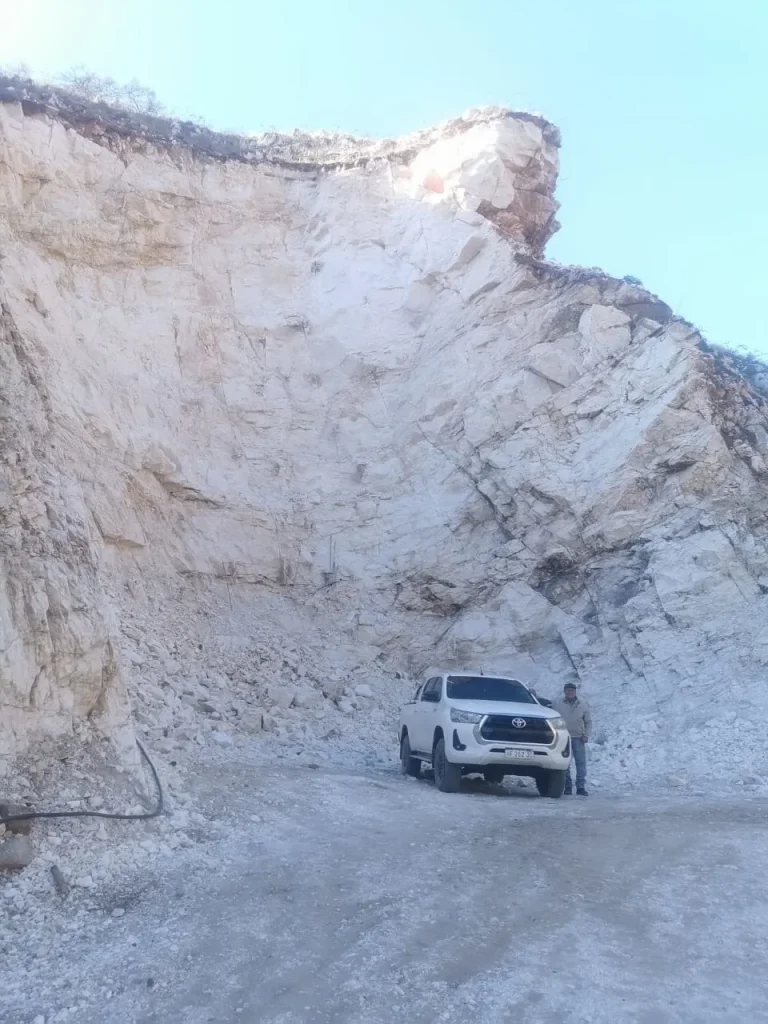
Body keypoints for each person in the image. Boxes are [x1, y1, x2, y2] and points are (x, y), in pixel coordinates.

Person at [552, 682, 592, 796]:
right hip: (563, 738)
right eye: (568, 690)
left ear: (575, 692)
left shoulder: (582, 704)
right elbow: (544, 706)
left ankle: (580, 787)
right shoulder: (557, 703)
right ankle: (567, 787)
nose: (570, 692)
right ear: (564, 691)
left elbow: (588, 721)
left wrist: (586, 735)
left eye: (572, 690)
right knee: (565, 763)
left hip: (579, 738)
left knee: (580, 764)